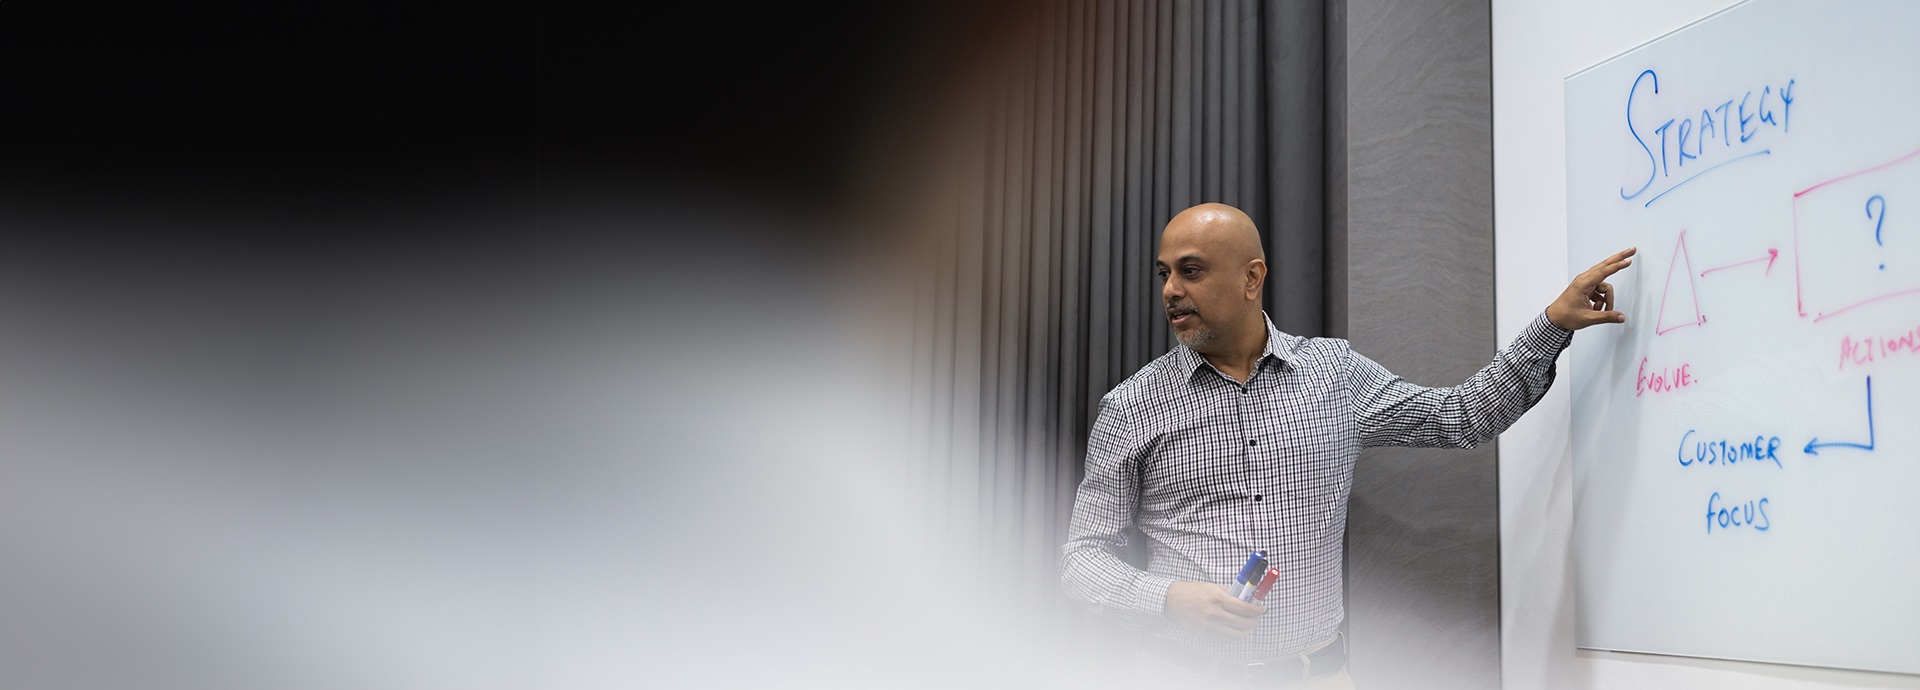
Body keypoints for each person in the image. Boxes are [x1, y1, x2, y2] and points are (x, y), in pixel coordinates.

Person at [1059, 203, 1633, 688]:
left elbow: (1460, 417)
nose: (1171, 291)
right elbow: (1081, 560)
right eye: (1164, 274)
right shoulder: (1131, 406)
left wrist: (1552, 325)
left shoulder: (1333, 375)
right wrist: (1168, 597)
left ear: (1252, 278)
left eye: (1191, 271)